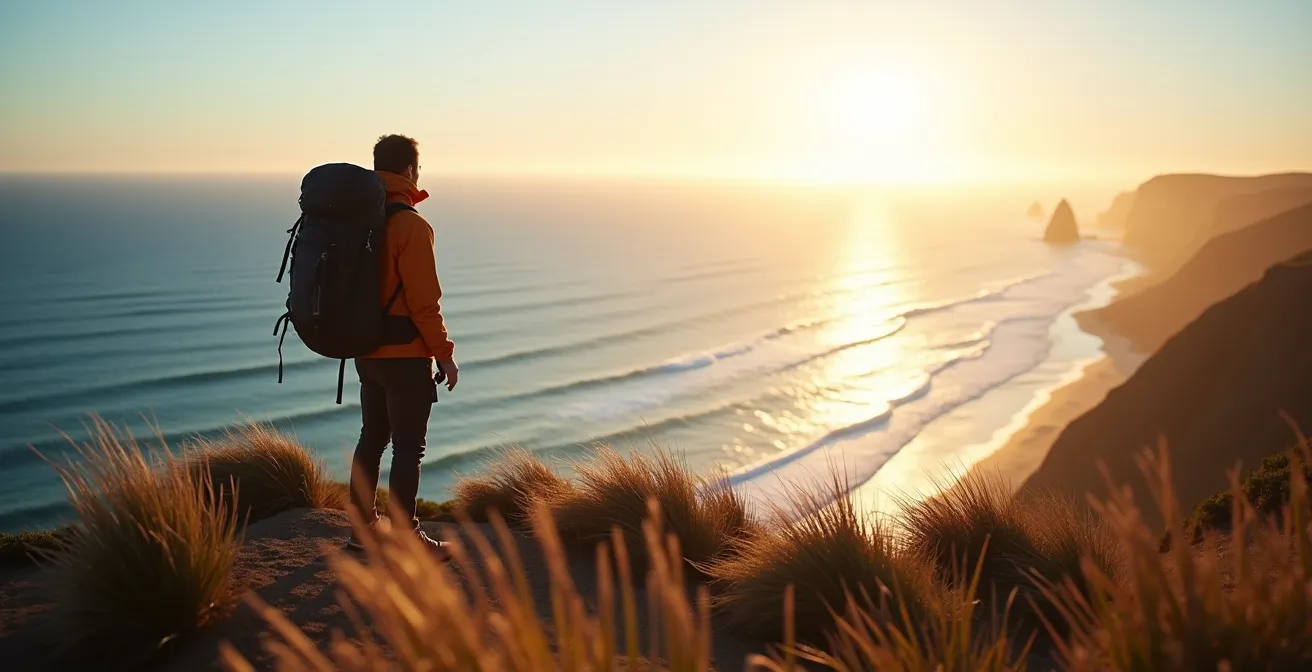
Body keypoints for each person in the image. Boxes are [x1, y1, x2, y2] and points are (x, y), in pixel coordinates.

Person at [346, 134, 459, 552]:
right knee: (408, 449)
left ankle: (361, 530)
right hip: (405, 357)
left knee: (371, 438)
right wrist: (445, 356)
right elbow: (424, 303)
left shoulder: (360, 221)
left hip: (366, 351)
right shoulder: (411, 225)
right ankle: (407, 538)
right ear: (410, 172)